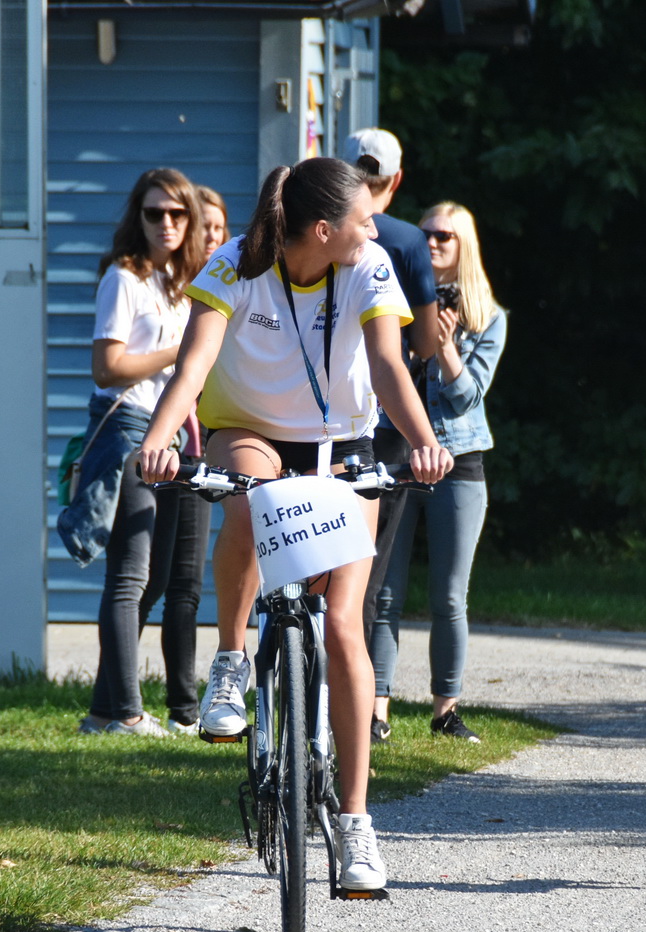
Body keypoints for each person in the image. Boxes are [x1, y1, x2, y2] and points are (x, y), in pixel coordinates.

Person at [138, 157, 453, 891]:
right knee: (252, 494)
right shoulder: (234, 266)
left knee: (343, 624)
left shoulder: (368, 265)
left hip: (341, 444)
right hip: (250, 430)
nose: (374, 227)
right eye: (360, 217)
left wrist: (424, 441)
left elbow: (387, 367)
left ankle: (354, 822)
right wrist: (159, 438)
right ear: (322, 229)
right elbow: (194, 364)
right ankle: (231, 659)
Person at [65, 168, 216, 737]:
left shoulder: (180, 283)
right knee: (129, 577)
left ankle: (103, 711)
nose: (167, 224)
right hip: (128, 429)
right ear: (139, 217)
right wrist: (180, 351)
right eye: (155, 213)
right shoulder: (124, 278)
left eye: (178, 213)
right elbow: (108, 367)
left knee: (153, 579)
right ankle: (127, 713)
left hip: (171, 432)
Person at [369, 203, 506, 745]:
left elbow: (469, 396)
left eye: (443, 236)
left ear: (463, 244)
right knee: (383, 592)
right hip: (397, 457)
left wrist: (445, 345)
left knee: (449, 596)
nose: (430, 243)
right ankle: (376, 709)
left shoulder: (488, 316)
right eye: (423, 234)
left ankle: (445, 710)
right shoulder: (391, 299)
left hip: (459, 461)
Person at [339, 128, 441, 744]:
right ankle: (365, 708)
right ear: (396, 181)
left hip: (316, 418)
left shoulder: (316, 233)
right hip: (387, 424)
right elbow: (422, 346)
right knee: (369, 574)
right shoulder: (404, 239)